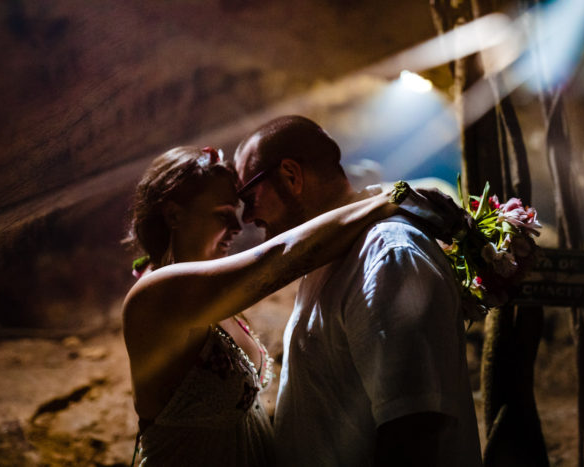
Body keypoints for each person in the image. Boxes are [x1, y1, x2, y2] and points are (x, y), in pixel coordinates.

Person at [122, 145, 455, 466]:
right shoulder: (156, 295)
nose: (238, 228)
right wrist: (391, 197)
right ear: (173, 214)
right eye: (223, 215)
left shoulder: (209, 299)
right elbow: (283, 257)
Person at [233, 115, 483, 467]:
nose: (246, 217)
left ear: (291, 176)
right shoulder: (332, 256)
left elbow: (414, 426)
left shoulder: (386, 256)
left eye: (249, 195)